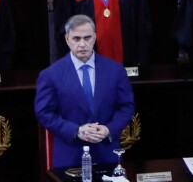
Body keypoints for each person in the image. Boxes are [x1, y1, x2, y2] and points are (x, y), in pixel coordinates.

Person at [35, 15, 137, 172]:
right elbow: (44, 113)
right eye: (76, 38)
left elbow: (126, 106)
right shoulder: (50, 75)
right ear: (67, 39)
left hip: (108, 154)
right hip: (70, 157)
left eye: (87, 38)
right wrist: (76, 131)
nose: (82, 44)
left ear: (95, 38)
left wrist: (109, 129)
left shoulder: (115, 70)